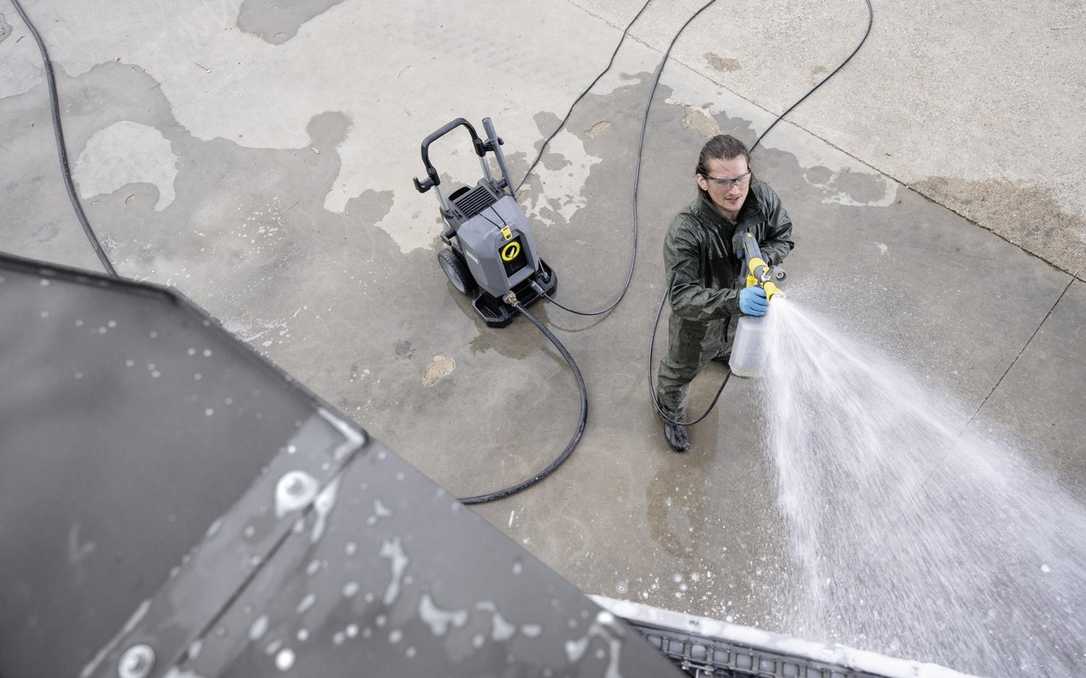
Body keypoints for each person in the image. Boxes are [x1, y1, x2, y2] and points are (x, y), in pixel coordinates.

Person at [655, 134, 794, 452]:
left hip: (745, 315)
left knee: (734, 345)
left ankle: (724, 353)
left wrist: (762, 256)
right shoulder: (686, 232)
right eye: (722, 181)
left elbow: (784, 235)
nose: (734, 191)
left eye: (740, 179)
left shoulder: (761, 199)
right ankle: (671, 413)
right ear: (702, 181)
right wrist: (736, 300)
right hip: (699, 324)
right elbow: (681, 298)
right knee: (680, 371)